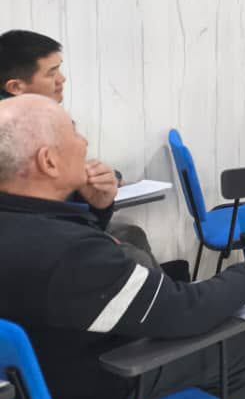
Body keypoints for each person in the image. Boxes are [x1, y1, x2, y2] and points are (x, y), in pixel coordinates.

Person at [0, 95, 245, 399]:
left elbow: (59, 265)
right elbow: (186, 311)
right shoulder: (72, 253)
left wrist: (97, 210)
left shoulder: (30, 231)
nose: (85, 143)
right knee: (241, 349)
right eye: (73, 133)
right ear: (48, 161)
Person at [0, 29, 158, 269]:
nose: (62, 79)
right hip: (39, 245)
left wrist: (99, 194)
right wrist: (93, 225)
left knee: (132, 234)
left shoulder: (36, 121)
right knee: (133, 256)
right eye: (51, 72)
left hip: (57, 228)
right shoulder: (17, 133)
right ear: (16, 86)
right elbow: (39, 220)